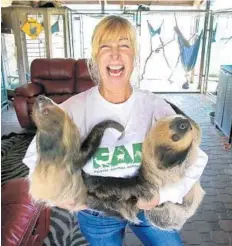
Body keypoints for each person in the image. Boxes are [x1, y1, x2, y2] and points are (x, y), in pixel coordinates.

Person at [23, 15, 208, 246]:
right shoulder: (72, 110)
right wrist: (61, 199)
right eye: (105, 46)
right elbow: (34, 163)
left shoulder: (154, 106)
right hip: (97, 213)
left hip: (146, 203)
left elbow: (198, 158)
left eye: (124, 45)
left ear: (134, 56)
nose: (115, 54)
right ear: (95, 56)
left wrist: (164, 195)